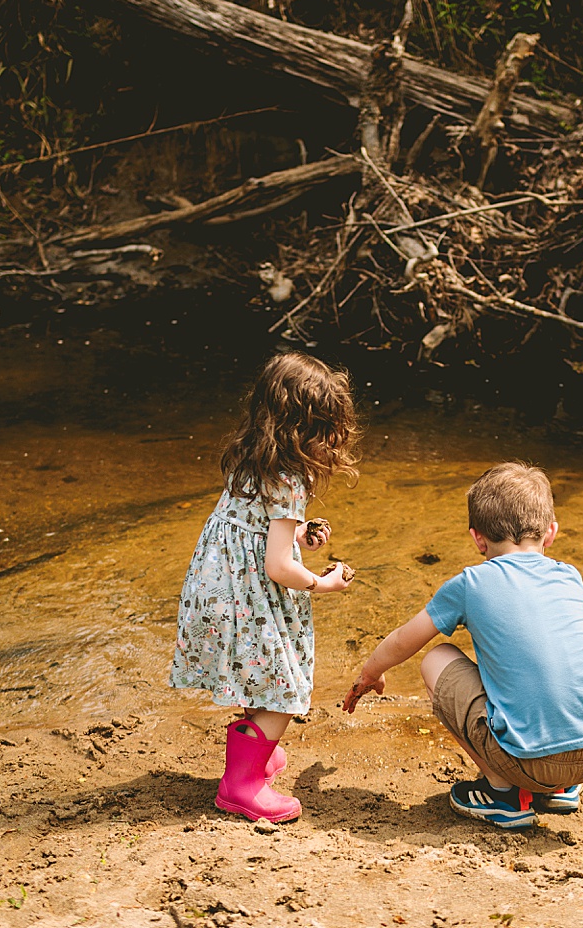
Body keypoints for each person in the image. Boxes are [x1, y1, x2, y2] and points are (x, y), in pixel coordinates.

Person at [343, 462, 583, 830]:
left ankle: (503, 795)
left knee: (437, 658)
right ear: (551, 533)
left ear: (477, 539)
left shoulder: (470, 583)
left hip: (530, 760)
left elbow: (403, 640)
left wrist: (370, 673)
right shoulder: (569, 575)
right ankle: (561, 788)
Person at [170, 351, 360, 823]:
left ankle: (254, 753)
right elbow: (277, 567)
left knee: (263, 670)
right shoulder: (290, 480)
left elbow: (255, 529)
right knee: (286, 686)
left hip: (219, 591)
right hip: (251, 595)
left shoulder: (249, 459)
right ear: (308, 429)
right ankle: (242, 784)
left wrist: (298, 533)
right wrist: (322, 582)